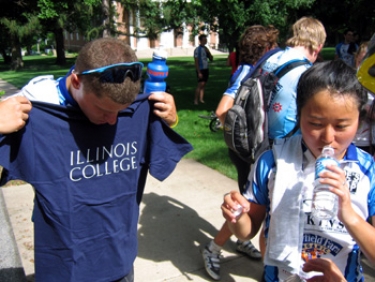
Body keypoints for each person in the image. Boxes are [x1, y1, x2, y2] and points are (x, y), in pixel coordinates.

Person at [0, 37, 193, 282]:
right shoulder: (36, 107)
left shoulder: (136, 108)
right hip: (66, 263)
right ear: (77, 81)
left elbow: (159, 156)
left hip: (119, 258)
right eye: (103, 110)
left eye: (120, 113)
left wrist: (168, 121)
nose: (112, 121)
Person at [222, 60, 375, 281]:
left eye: (341, 126)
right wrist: (236, 215)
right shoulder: (274, 160)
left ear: (359, 122)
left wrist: (349, 215)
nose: (328, 138)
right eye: (315, 123)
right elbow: (247, 231)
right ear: (299, 114)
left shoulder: (367, 170)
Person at [202, 25, 274, 281]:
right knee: (247, 205)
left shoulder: (255, 69)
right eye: (272, 47)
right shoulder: (248, 71)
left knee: (253, 207)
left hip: (252, 152)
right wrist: (245, 132)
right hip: (249, 153)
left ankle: (242, 242)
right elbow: (223, 110)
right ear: (264, 48)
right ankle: (213, 249)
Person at [194, 34, 213, 105]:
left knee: (204, 84)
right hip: (201, 69)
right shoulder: (197, 50)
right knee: (200, 84)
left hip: (206, 68)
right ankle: (195, 100)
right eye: (204, 40)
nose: (206, 41)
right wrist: (199, 72)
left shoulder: (206, 49)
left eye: (206, 40)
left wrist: (208, 52)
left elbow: (211, 59)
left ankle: (201, 99)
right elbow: (196, 62)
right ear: (200, 40)